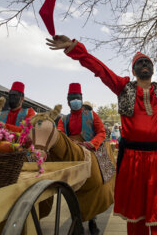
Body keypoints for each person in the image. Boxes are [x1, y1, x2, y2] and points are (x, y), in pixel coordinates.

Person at [46, 19, 157, 234]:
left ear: (153, 69)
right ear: (133, 69)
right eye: (140, 63)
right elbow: (99, 68)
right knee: (134, 216)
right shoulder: (123, 87)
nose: (144, 65)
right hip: (133, 160)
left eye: (148, 62)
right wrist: (74, 47)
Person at [57, 83, 107, 234]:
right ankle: (76, 219)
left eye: (77, 97)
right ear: (67, 101)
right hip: (73, 155)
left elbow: (102, 132)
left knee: (98, 180)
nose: (75, 100)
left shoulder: (92, 115)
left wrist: (91, 144)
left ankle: (93, 219)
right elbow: (60, 135)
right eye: (72, 98)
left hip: (90, 150)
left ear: (82, 98)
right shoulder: (63, 119)